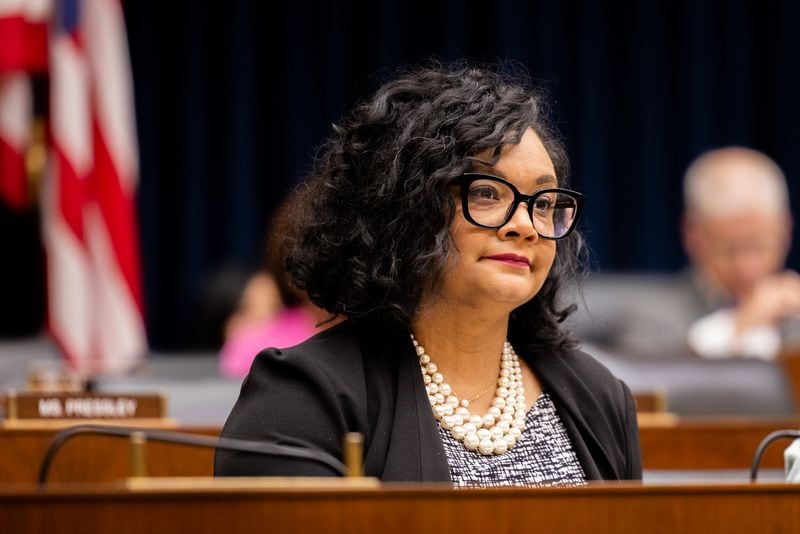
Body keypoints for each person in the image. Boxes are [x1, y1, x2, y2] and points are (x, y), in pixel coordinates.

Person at [214, 64, 642, 485]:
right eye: (486, 193)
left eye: (544, 202)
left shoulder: (599, 397)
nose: (527, 226)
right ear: (403, 209)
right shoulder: (304, 397)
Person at [570, 147, 799, 361]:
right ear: (693, 236)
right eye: (729, 250)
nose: (746, 266)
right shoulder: (647, 316)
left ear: (786, 230)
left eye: (760, 246)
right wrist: (741, 323)